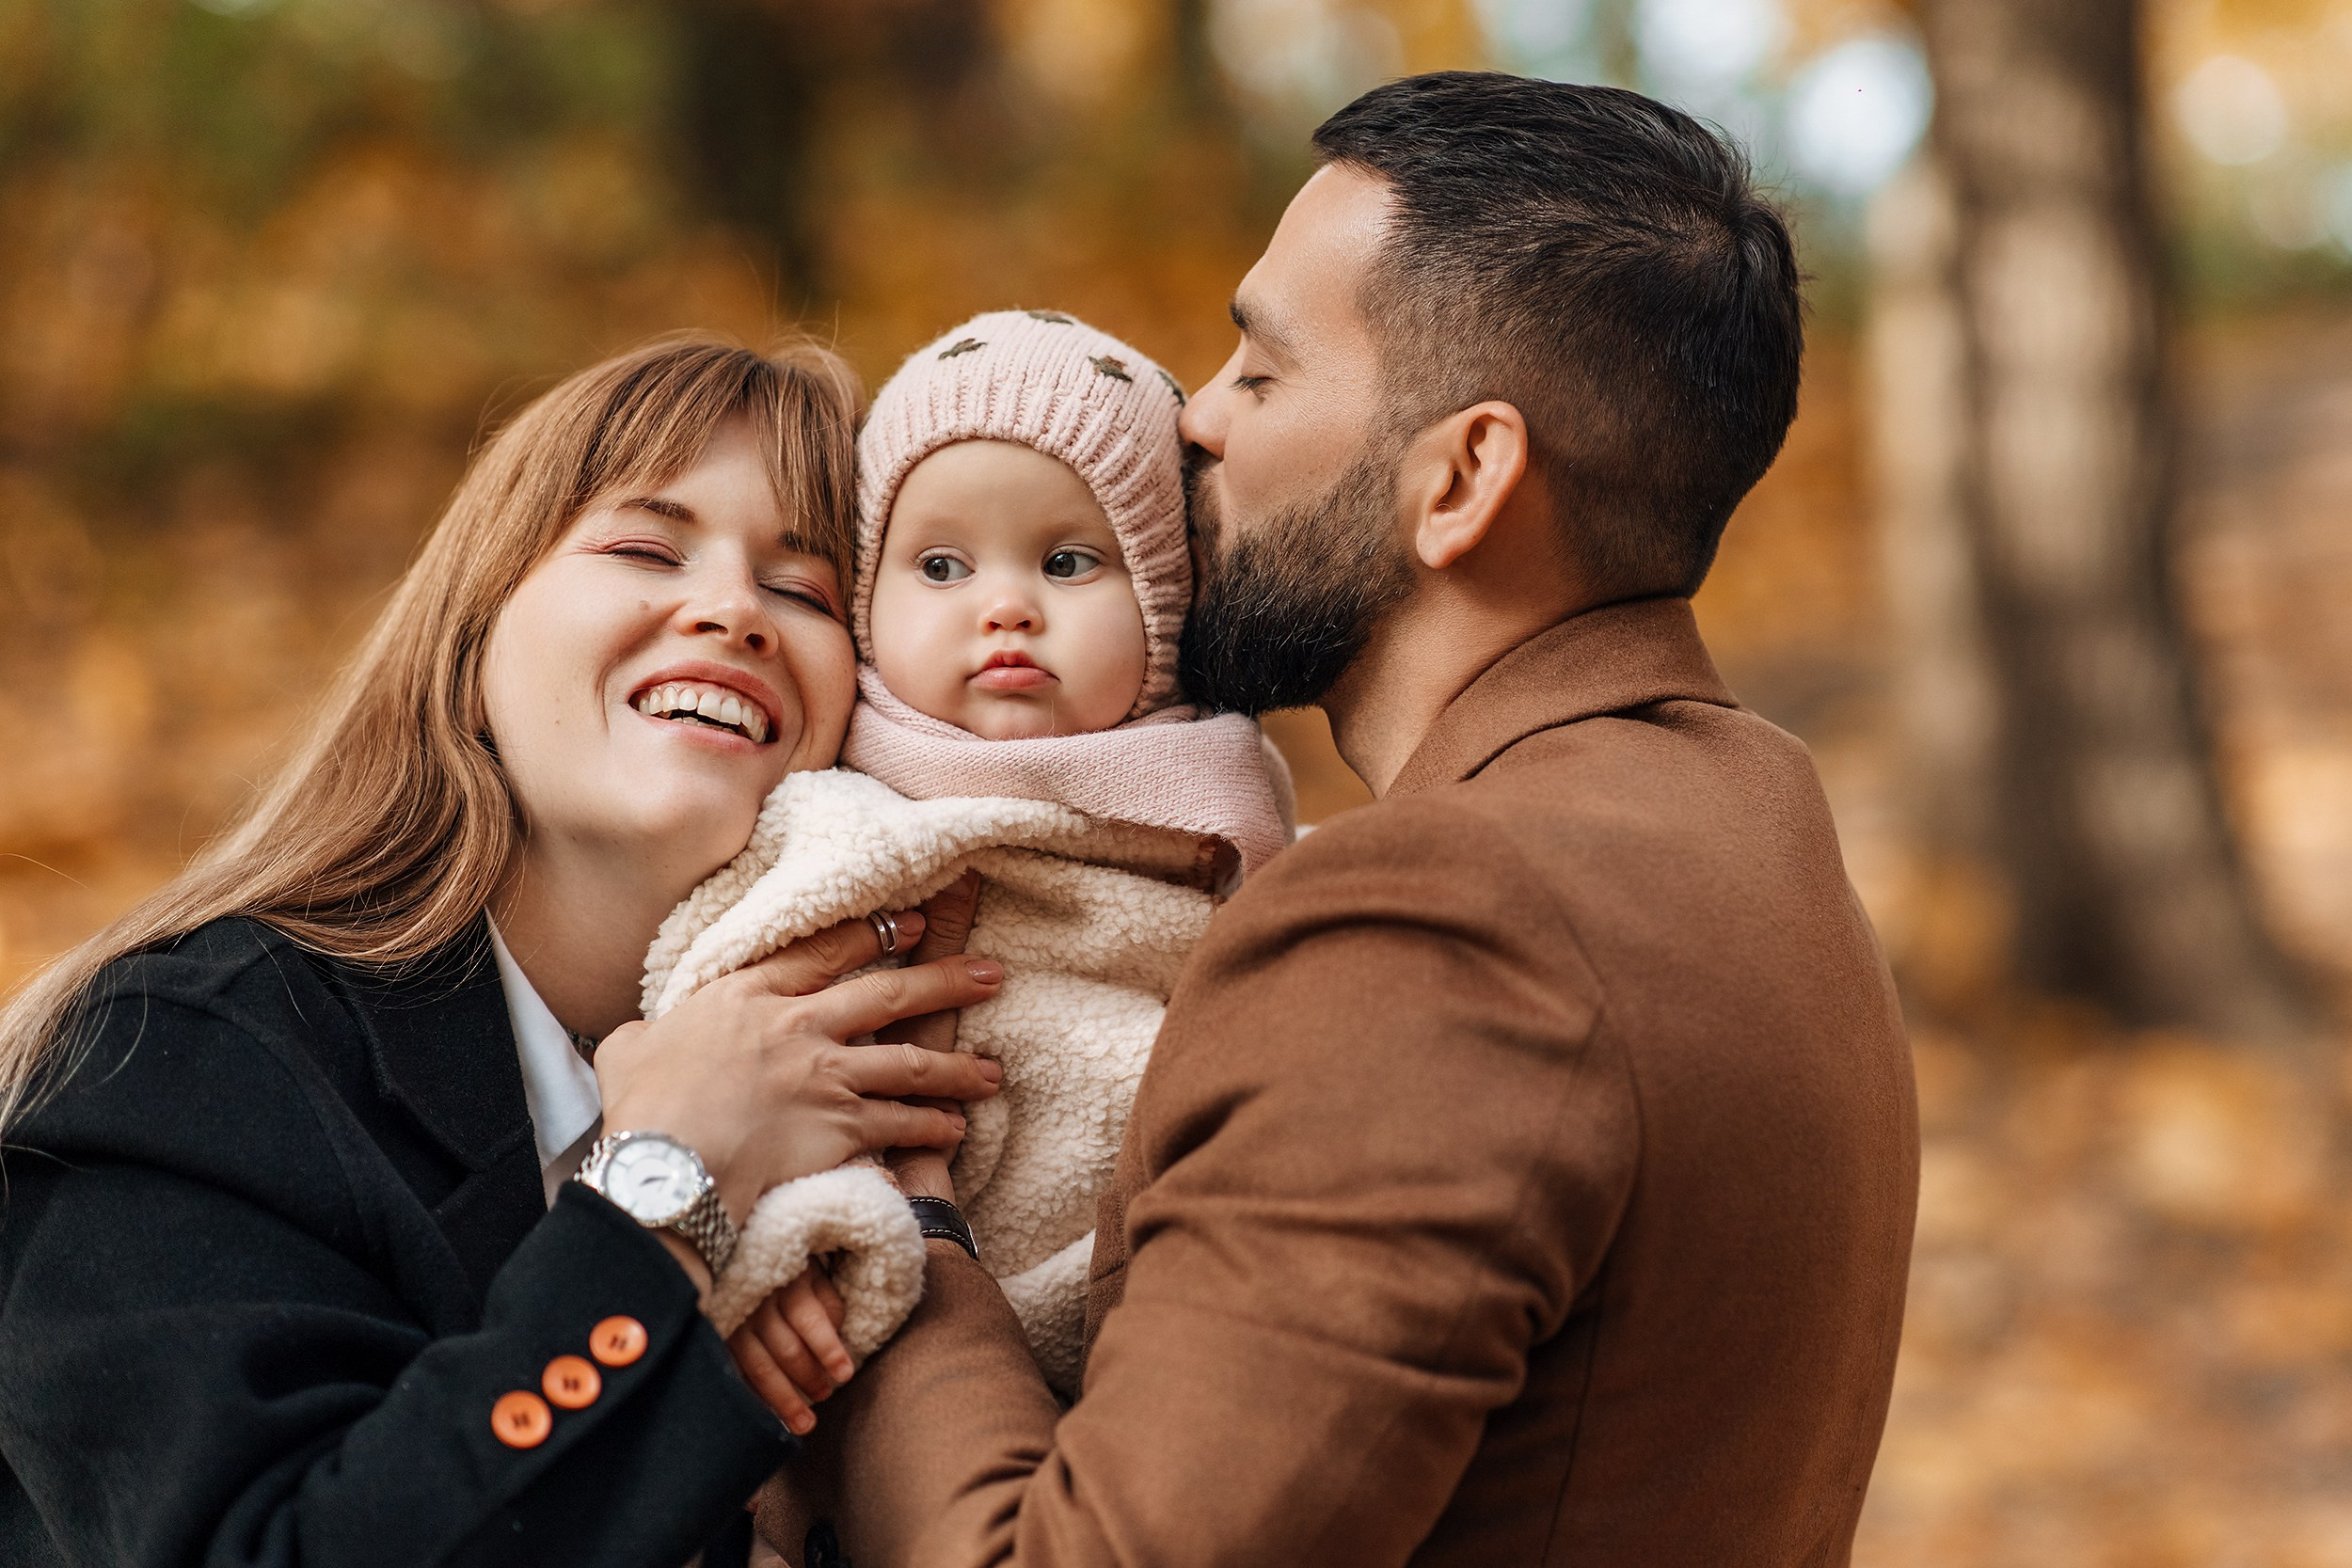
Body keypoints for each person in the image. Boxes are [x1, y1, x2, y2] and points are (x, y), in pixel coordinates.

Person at [757, 73, 1919, 1568]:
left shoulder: (1444, 920)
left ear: (1462, 477)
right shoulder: (1754, 813)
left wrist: (904, 1221)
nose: (1190, 419)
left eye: (1259, 369)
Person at [0, 337, 1007, 1568]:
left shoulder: (884, 1117)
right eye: (645, 546)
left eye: (803, 589)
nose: (735, 609)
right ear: (470, 653)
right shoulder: (183, 1051)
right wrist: (663, 1183)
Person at [637, 309, 1291, 1410]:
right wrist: (803, 1228)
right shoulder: (840, 824)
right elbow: (726, 1016)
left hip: (1173, 1337)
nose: (1003, 607)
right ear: (867, 605)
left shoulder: (1244, 828)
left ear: (1167, 604)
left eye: (1069, 561)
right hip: (894, 1338)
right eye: (939, 564)